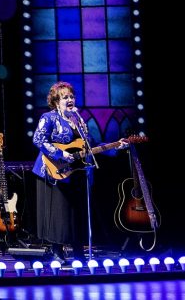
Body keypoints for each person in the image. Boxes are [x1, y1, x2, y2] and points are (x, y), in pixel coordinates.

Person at [32, 81, 125, 260]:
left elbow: (92, 145)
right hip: (52, 170)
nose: (69, 100)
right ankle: (57, 251)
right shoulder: (49, 117)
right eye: (64, 97)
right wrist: (60, 153)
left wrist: (116, 146)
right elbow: (38, 139)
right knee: (58, 212)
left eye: (71, 96)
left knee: (76, 213)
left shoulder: (79, 120)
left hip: (76, 172)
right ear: (56, 101)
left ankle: (78, 251)